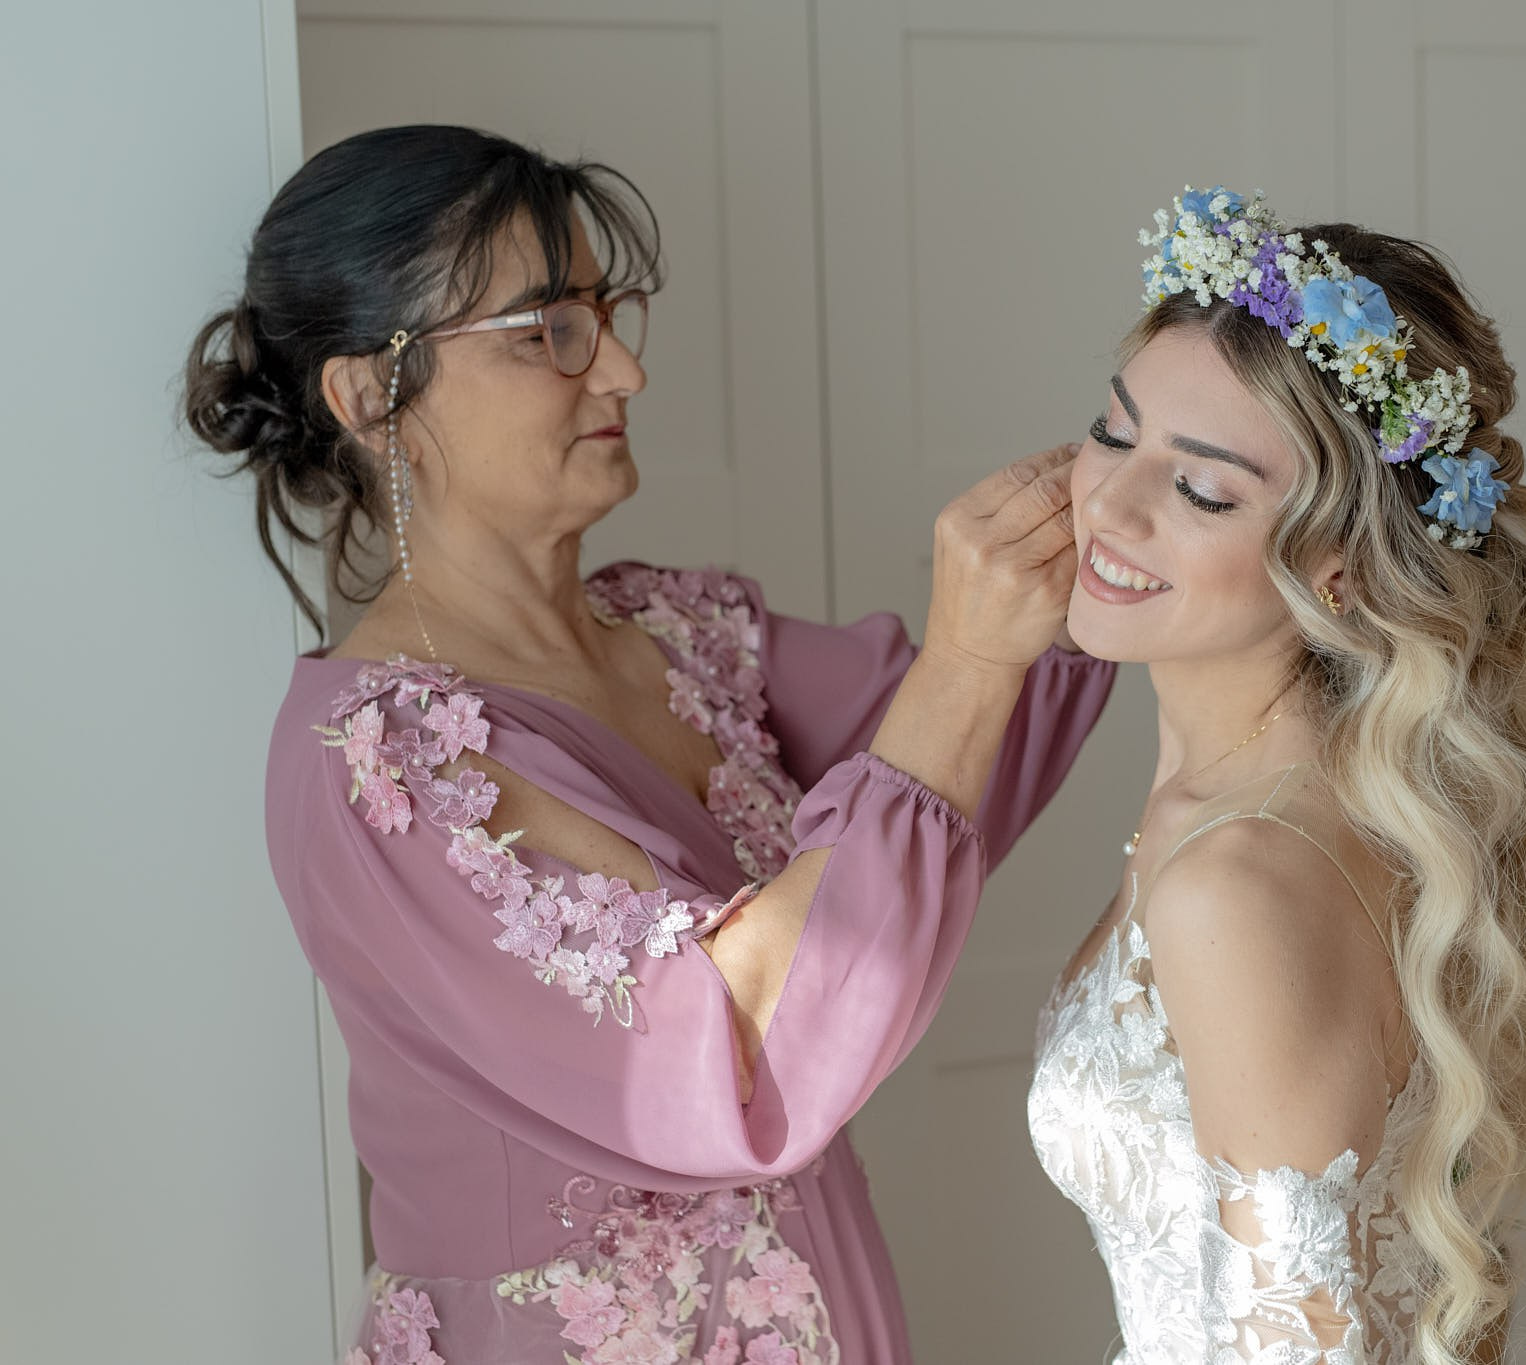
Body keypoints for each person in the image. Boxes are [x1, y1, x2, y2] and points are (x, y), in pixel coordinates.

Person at [186, 124, 1115, 1364]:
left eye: (607, 317)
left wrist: (1145, 489)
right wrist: (967, 661)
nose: (620, 371)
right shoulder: (382, 762)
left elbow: (976, 750)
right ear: (370, 396)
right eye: (548, 333)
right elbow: (735, 1048)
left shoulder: (684, 633)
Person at [1027, 187, 1526, 1364]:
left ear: (1339, 566)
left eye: (1201, 488)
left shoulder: (1241, 884)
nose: (1108, 502)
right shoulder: (1334, 806)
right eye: (1114, 433)